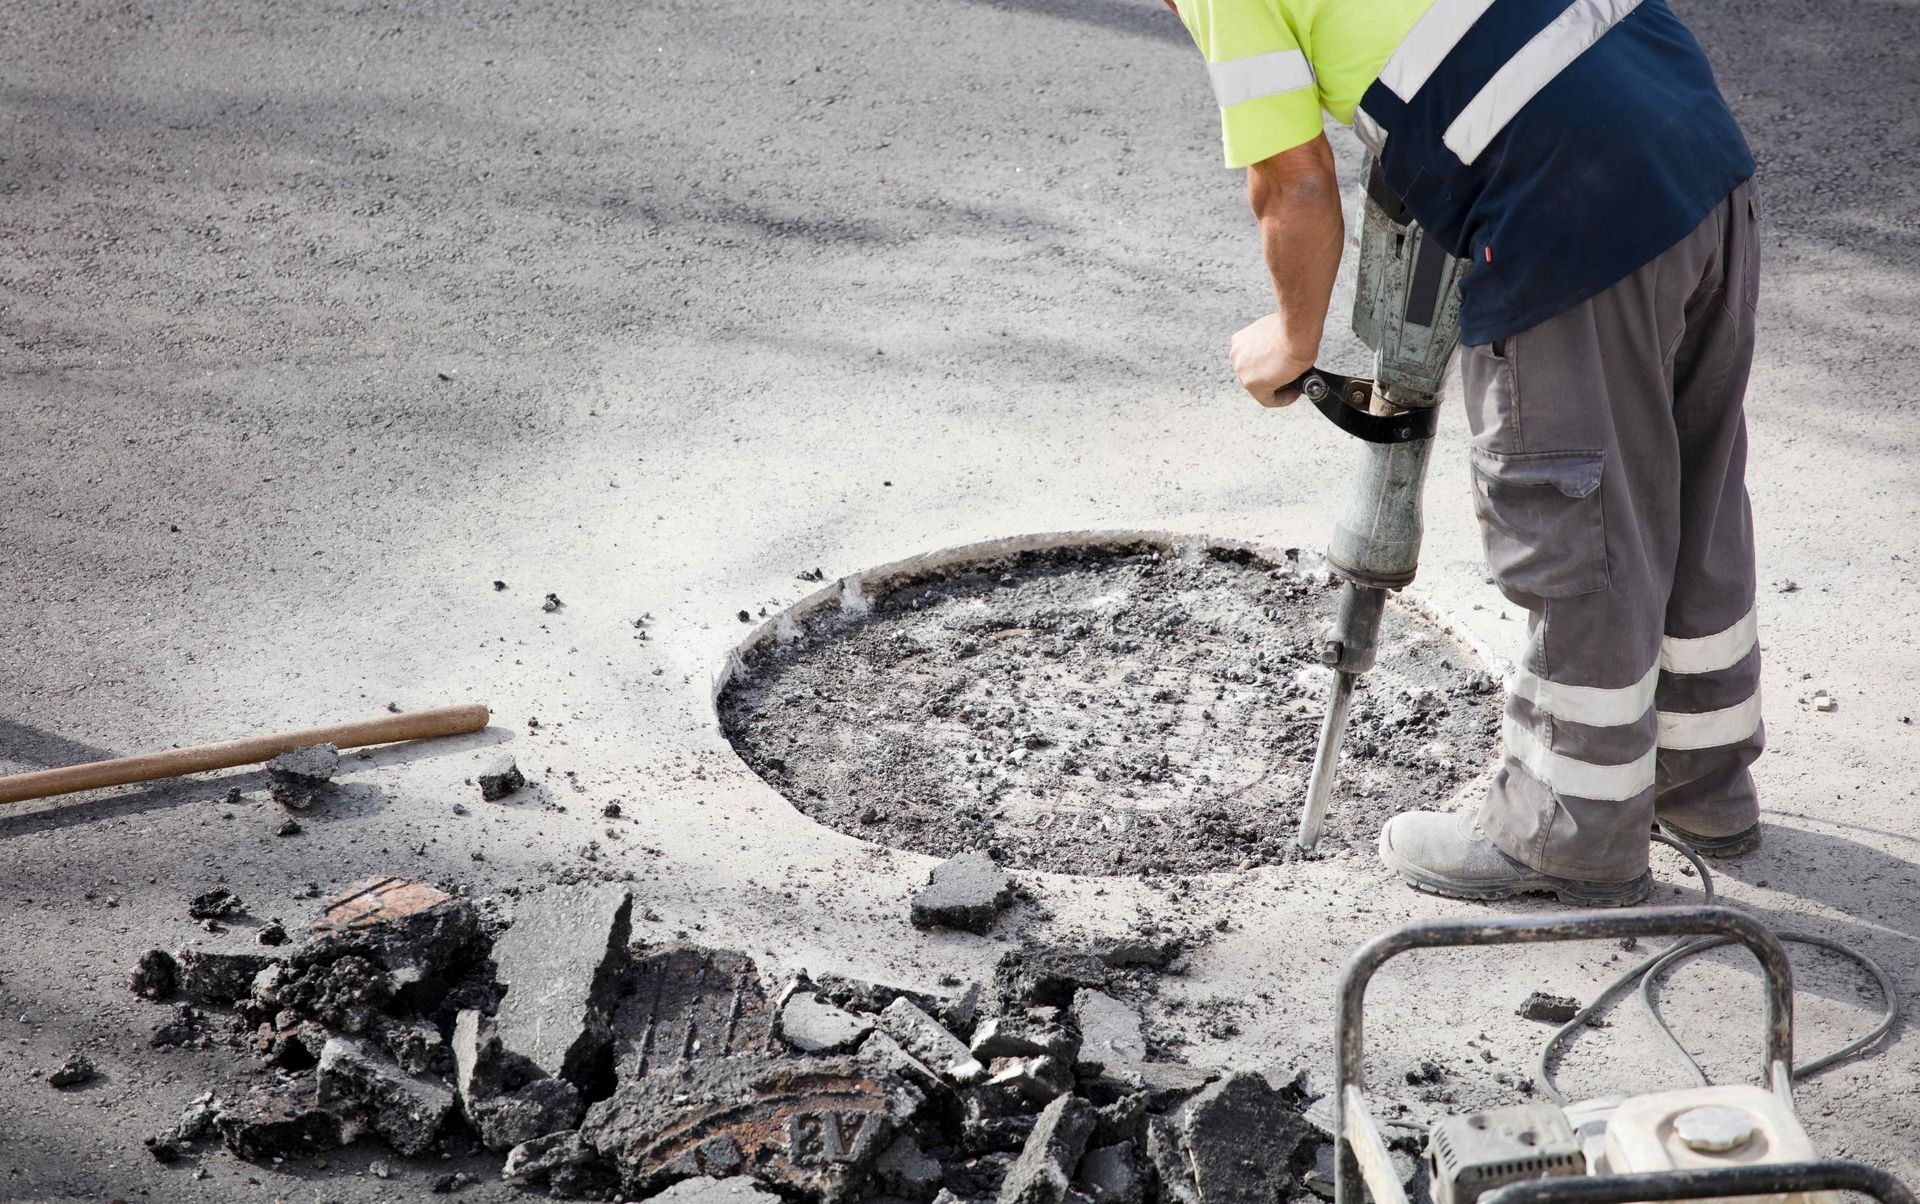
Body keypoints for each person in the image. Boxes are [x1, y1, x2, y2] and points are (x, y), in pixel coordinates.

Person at [1169, 0, 1765, 905]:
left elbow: (1292, 183)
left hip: (1574, 200)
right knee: (1689, 483)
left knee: (1578, 514)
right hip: (1694, 144)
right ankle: (1702, 782)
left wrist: (1291, 340)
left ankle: (1566, 832)